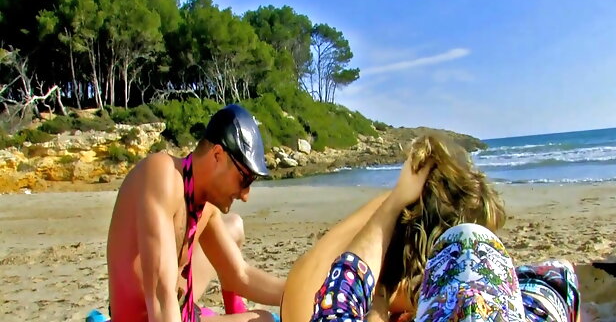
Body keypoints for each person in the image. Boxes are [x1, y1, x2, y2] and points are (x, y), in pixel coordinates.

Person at [282, 133, 582, 322]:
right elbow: (561, 278)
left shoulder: (552, 285)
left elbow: (343, 291)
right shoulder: (546, 292)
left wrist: (394, 200)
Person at [106, 104, 285, 322]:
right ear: (218, 155)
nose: (246, 194)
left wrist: (311, 293)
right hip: (151, 316)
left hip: (180, 308)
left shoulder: (205, 204)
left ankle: (232, 309)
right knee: (265, 321)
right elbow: (162, 299)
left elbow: (239, 275)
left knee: (234, 226)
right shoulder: (163, 175)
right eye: (245, 179)